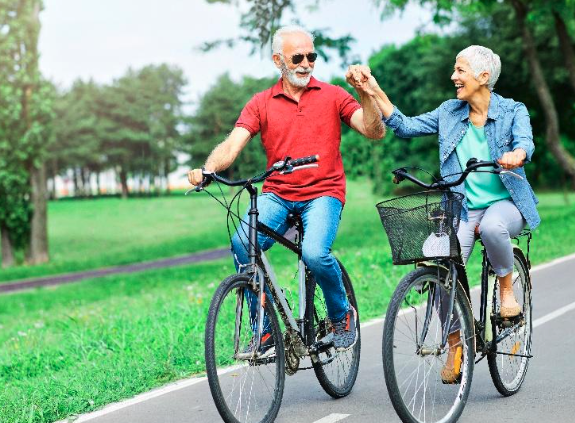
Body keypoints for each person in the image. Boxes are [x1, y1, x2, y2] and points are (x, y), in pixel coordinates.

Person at [347, 45, 540, 381]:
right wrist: (372, 88)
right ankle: (456, 342)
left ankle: (507, 288)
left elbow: (526, 140)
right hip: (462, 206)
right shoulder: (450, 112)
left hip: (505, 204)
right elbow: (404, 126)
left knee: (494, 227)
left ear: (483, 77)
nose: (453, 76)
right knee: (440, 264)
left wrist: (517, 153)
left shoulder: (512, 110)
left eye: (460, 70)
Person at [188, 25, 385, 351]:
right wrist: (207, 170)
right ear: (278, 60)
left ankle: (341, 314)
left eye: (312, 56)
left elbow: (373, 130)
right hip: (278, 193)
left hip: (324, 192)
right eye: (298, 57)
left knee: (314, 253)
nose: (306, 63)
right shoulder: (261, 103)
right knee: (242, 243)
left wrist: (364, 93)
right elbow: (233, 144)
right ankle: (265, 330)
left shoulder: (334, 95)